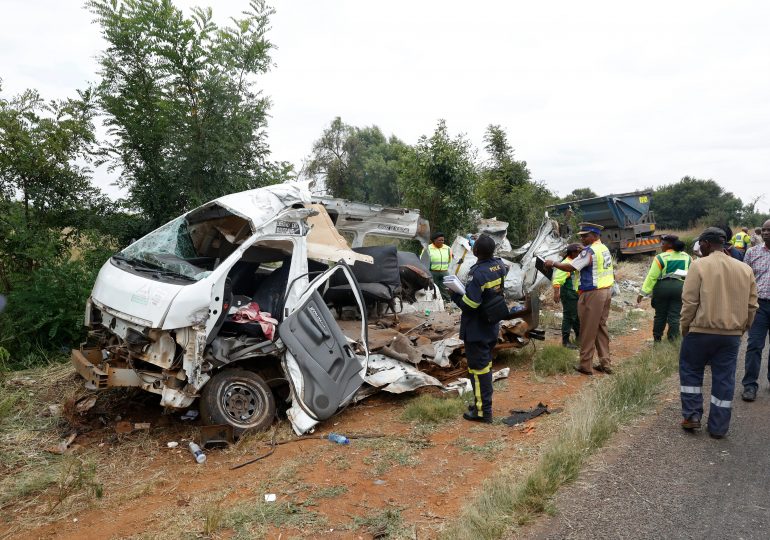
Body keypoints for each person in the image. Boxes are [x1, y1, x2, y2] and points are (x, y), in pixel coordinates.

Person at [679, 227, 757, 439]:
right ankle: (718, 427)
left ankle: (692, 416)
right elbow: (752, 305)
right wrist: (742, 329)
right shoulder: (744, 269)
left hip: (700, 332)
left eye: (700, 245)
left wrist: (685, 327)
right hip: (731, 335)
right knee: (724, 378)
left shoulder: (698, 266)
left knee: (691, 371)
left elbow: (689, 302)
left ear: (705, 243)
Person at [450, 234, 508, 423]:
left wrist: (455, 295)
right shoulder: (499, 266)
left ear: (475, 252)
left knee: (478, 369)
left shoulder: (478, 273)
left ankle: (483, 412)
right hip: (491, 324)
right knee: (485, 366)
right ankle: (480, 403)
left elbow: (470, 304)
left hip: (477, 328)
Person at [545, 222, 614, 375]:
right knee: (601, 328)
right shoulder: (603, 248)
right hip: (606, 291)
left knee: (588, 329)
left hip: (592, 293)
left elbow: (571, 267)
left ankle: (585, 365)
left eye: (585, 236)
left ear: (595, 235)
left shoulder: (589, 251)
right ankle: (605, 362)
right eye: (581, 236)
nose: (582, 239)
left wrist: (553, 263)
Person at [637, 235, 692, 342]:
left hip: (662, 288)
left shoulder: (660, 257)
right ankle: (673, 340)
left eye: (663, 244)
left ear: (669, 245)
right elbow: (691, 274)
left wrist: (642, 293)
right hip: (679, 288)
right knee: (675, 316)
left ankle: (657, 340)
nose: (661, 246)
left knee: (660, 315)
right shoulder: (687, 257)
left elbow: (652, 277)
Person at [740, 219, 770, 402]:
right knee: (754, 346)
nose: (766, 233)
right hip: (759, 306)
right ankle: (750, 385)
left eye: (769, 230)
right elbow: (745, 281)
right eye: (764, 230)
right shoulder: (751, 253)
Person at [552, 243, 582, 349]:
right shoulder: (566, 263)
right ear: (572, 253)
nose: (580, 254)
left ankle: (580, 337)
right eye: (578, 252)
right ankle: (565, 341)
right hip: (568, 293)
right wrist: (556, 293)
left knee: (576, 316)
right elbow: (557, 279)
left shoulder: (575, 262)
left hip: (575, 293)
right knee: (569, 317)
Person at [421, 232, 453, 300]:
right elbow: (423, 261)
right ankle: (434, 301)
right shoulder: (428, 248)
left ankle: (447, 302)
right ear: (434, 240)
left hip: (444, 272)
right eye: (439, 240)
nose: (442, 242)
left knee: (445, 288)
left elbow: (449, 260)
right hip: (432, 272)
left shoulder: (447, 248)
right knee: (433, 288)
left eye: (443, 240)